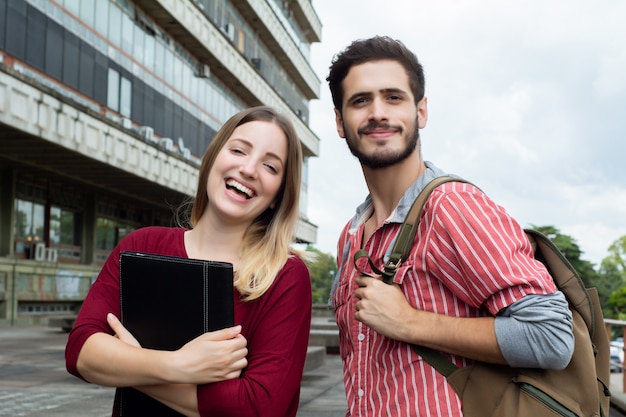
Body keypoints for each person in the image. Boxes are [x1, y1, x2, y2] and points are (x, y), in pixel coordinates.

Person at [326, 36, 574, 417]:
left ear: (421, 112)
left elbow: (552, 336)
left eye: (393, 97)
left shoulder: (452, 206)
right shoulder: (351, 234)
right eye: (361, 100)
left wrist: (410, 322)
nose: (377, 112)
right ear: (341, 122)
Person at [65, 106, 313, 417]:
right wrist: (179, 365)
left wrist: (130, 361)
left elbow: (257, 408)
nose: (249, 169)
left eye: (270, 166)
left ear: (278, 195)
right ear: (212, 159)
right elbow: (80, 352)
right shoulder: (142, 246)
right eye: (238, 150)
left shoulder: (286, 275)